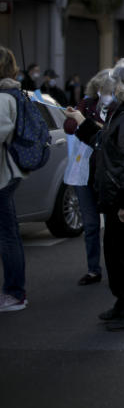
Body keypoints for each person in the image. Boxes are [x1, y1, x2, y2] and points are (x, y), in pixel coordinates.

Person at [69, 59, 124, 330]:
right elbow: (105, 144)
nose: (112, 87)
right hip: (117, 197)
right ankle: (123, 303)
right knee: (115, 254)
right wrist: (82, 122)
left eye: (116, 82)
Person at [62, 69, 114, 286]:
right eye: (103, 89)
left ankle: (116, 267)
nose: (107, 94)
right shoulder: (87, 104)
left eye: (111, 90)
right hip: (85, 169)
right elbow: (70, 127)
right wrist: (76, 117)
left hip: (108, 170)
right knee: (91, 224)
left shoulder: (119, 107)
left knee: (112, 224)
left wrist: (93, 125)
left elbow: (113, 132)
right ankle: (93, 269)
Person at [0, 47, 28, 312]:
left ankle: (15, 293)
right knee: (9, 235)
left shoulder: (4, 98)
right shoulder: (12, 95)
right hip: (7, 175)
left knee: (8, 236)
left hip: (3, 177)